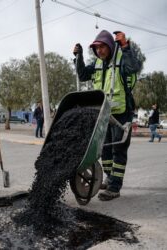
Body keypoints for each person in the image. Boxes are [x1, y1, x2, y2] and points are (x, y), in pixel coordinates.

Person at [73, 30, 140, 201]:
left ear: (110, 46)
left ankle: (115, 187)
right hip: (103, 114)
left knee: (119, 149)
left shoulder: (121, 60)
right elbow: (82, 75)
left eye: (102, 47)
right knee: (105, 149)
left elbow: (134, 67)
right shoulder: (96, 64)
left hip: (122, 114)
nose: (99, 51)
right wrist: (79, 56)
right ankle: (110, 179)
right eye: (96, 48)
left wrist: (125, 46)